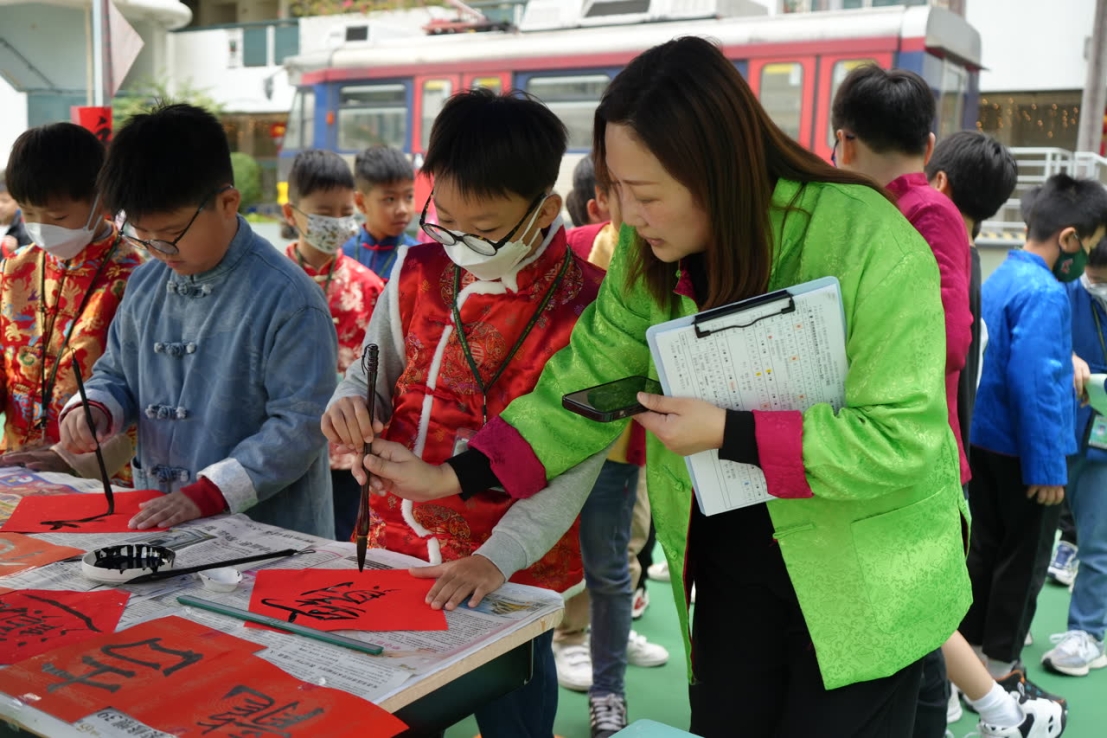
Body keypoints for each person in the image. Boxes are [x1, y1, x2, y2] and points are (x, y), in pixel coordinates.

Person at [352, 37, 973, 737]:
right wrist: (452, 475)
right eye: (617, 190)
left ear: (719, 172)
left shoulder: (865, 238)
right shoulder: (645, 254)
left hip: (864, 567)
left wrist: (729, 430)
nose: (628, 215)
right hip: (732, 557)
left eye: (645, 195)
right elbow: (584, 382)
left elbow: (901, 438)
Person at [322, 89, 606, 738]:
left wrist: (496, 559)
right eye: (444, 218)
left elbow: (574, 462)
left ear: (545, 210)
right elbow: (371, 372)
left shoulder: (587, 308)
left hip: (511, 563)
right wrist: (349, 408)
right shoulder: (419, 269)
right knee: (392, 713)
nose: (461, 244)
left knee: (514, 720)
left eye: (484, 228)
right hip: (396, 544)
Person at [57, 103, 337, 539]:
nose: (158, 251)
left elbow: (301, 424)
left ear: (227, 203)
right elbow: (115, 373)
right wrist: (94, 406)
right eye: (143, 236)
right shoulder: (146, 283)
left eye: (170, 235)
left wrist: (209, 493)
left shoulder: (289, 298)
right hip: (160, 519)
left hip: (267, 536)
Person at [924, 132, 1067, 738]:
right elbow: (1036, 380)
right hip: (984, 449)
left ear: (940, 180)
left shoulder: (992, 269)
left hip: (972, 441)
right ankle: (998, 684)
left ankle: (975, 686)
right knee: (1011, 564)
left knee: (972, 563)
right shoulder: (1008, 275)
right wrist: (1049, 466)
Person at [962, 174, 1107, 685]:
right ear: (1069, 239)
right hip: (1026, 455)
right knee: (1022, 566)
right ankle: (1003, 672)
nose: (1084, 259)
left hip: (984, 440)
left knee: (983, 552)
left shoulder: (1001, 276)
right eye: (1087, 246)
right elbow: (1037, 384)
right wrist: (1048, 468)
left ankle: (972, 659)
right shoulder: (1047, 293)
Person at [554, 155, 669, 738]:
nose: (647, 211)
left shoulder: (670, 259)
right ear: (601, 201)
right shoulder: (571, 253)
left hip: (627, 449)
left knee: (615, 565)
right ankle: (566, 642)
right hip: (557, 442)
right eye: (630, 194)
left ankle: (608, 690)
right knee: (547, 563)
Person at [0, 123, 144, 481]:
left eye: (57, 217)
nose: (41, 227)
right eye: (28, 214)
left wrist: (74, 461)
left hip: (101, 476)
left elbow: (150, 399)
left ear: (101, 198)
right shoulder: (14, 270)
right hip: (15, 468)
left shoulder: (137, 277)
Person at [282, 149, 384, 540]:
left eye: (345, 212)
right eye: (325, 212)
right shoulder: (271, 284)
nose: (337, 222)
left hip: (349, 453)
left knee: (343, 544)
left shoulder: (369, 287)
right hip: (284, 449)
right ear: (291, 214)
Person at [1042, 236, 1107, 678]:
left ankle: (1088, 633)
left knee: (1097, 541)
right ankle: (1011, 623)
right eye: (1091, 277)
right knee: (1033, 532)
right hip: (1061, 428)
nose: (1093, 283)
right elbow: (1044, 341)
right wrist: (1068, 357)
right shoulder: (1065, 289)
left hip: (1102, 442)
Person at [341, 145, 416, 279]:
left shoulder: (419, 258)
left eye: (409, 197)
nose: (402, 210)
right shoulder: (342, 252)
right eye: (390, 199)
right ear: (361, 202)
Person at [0, 169, 32, 259]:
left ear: (17, 202)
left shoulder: (25, 230)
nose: (0, 206)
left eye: (5, 201)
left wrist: (16, 251)